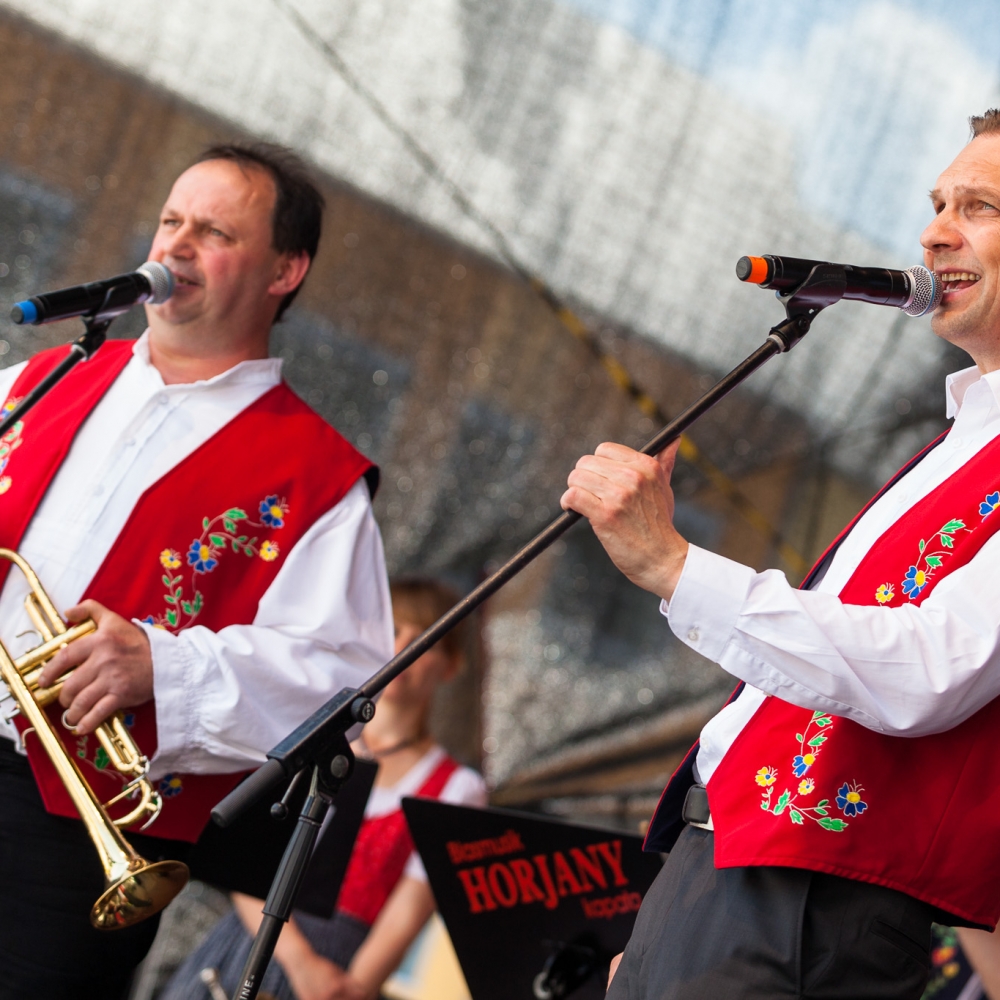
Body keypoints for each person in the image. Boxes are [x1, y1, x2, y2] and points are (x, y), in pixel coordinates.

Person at [561, 109, 1000, 1000]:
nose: (933, 232)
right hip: (726, 876)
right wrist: (670, 936)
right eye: (936, 203)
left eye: (980, 206)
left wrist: (674, 566)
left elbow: (931, 669)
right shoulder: (963, 438)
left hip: (809, 905)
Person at [0, 142, 393, 999]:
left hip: (72, 839)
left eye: (214, 232)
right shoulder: (39, 379)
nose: (175, 245)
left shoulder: (316, 478)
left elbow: (341, 682)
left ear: (285, 270)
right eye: (171, 220)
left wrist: (163, 666)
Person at [160, 577, 488, 1000]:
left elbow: (411, 908)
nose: (402, 648)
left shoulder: (457, 788)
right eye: (392, 631)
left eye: (424, 640)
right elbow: (250, 865)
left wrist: (351, 986)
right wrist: (300, 962)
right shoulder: (315, 738)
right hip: (250, 941)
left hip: (342, 971)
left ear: (450, 665)